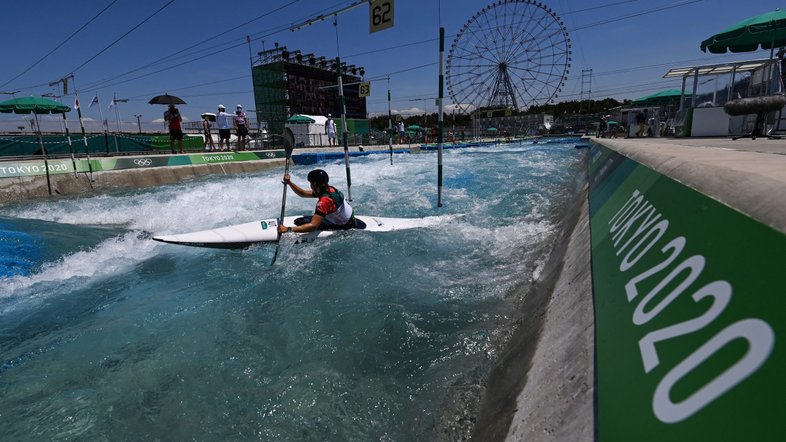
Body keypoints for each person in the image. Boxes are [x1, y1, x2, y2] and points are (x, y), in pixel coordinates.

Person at [277, 169, 358, 235]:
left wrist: (288, 229)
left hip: (344, 226)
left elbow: (313, 226)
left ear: (316, 184)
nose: (311, 185)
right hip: (350, 219)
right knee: (304, 220)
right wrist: (289, 183)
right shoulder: (330, 189)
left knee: (300, 222)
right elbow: (303, 193)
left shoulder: (324, 201)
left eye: (311, 183)